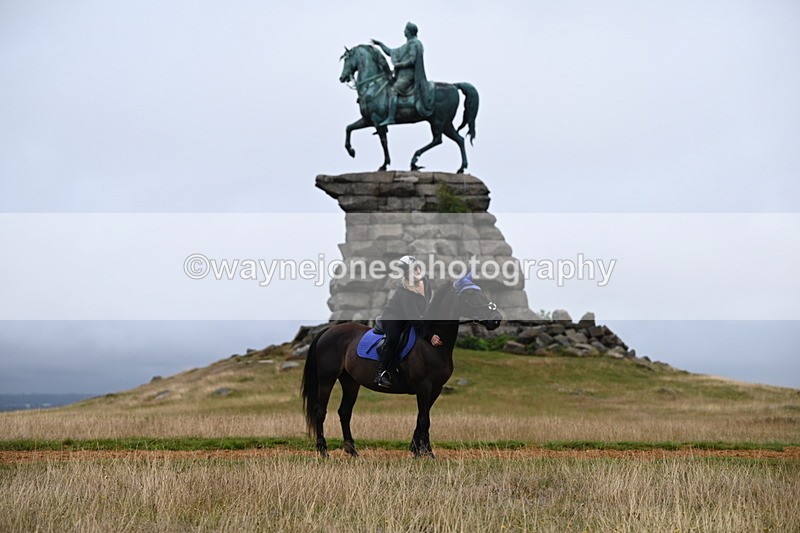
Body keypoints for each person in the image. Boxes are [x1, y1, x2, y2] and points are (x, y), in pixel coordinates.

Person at [374, 255, 443, 388]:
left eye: (418, 267)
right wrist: (429, 336)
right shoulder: (405, 292)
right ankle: (381, 373)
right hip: (394, 317)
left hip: (412, 315)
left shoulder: (425, 280)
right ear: (407, 274)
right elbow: (414, 319)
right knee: (393, 338)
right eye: (413, 270)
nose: (417, 271)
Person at [371, 22, 435, 126]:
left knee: (393, 91)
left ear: (409, 32)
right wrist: (380, 44)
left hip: (408, 77)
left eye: (405, 30)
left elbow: (412, 60)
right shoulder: (407, 45)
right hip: (401, 76)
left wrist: (399, 65)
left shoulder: (415, 44)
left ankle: (391, 118)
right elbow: (391, 52)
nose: (403, 31)